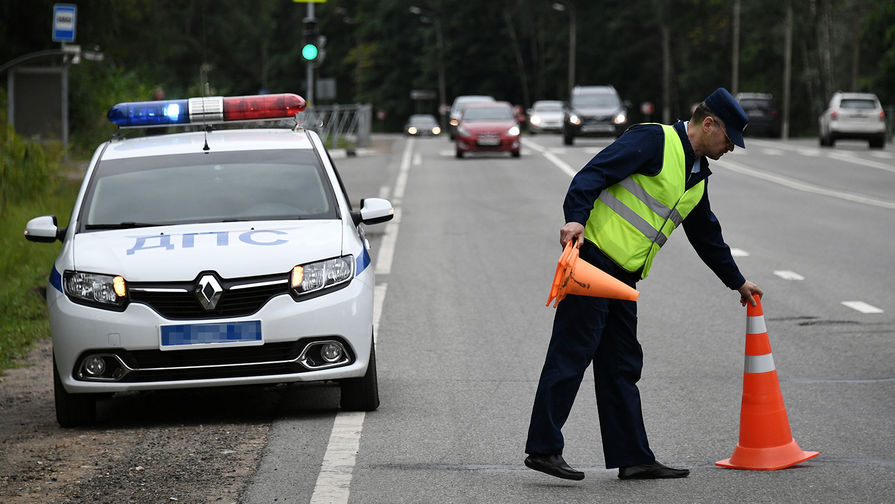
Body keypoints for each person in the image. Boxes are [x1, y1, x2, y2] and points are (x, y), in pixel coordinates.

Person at [524, 88, 763, 481]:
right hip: (593, 262)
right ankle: (544, 449)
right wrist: (576, 218)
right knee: (572, 353)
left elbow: (706, 235)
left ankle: (633, 457)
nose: (731, 148)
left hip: (624, 277)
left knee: (621, 365)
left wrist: (737, 282)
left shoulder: (696, 175)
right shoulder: (654, 140)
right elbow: (592, 173)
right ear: (709, 123)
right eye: (729, 139)